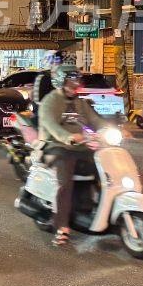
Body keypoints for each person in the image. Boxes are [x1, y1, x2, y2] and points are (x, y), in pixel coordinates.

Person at [37, 64, 110, 247]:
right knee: (65, 183)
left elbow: (95, 120)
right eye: (71, 81)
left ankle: (97, 211)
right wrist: (67, 137)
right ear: (61, 82)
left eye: (77, 81)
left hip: (80, 146)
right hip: (56, 146)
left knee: (106, 170)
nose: (75, 84)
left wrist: (111, 129)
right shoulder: (50, 101)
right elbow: (51, 126)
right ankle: (62, 227)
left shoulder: (81, 103)